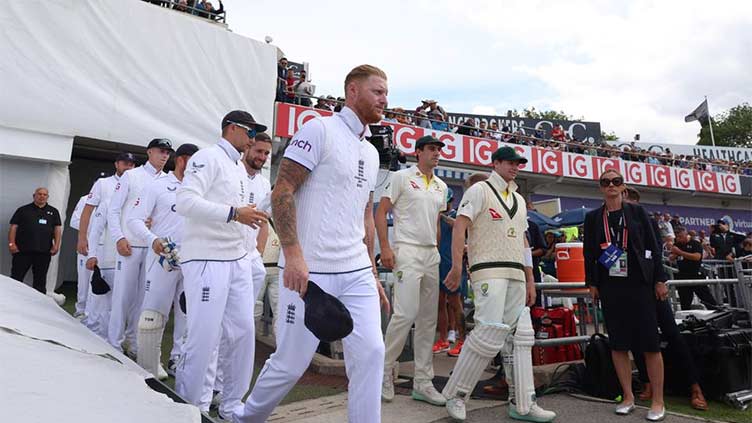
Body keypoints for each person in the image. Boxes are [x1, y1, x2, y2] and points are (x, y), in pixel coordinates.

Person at [235, 64, 390, 423]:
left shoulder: (371, 152)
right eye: (378, 91)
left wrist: (373, 273)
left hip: (356, 272)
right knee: (290, 363)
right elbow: (282, 191)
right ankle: (246, 418)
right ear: (353, 91)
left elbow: (364, 216)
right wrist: (293, 256)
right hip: (309, 272)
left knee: (371, 353)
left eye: (386, 92)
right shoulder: (318, 131)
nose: (385, 99)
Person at [442, 146, 555, 422]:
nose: (515, 167)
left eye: (518, 163)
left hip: (516, 273)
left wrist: (530, 279)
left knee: (519, 338)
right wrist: (457, 266)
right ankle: (457, 396)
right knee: (488, 333)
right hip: (488, 270)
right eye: (509, 162)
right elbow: (460, 226)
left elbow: (524, 242)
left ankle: (522, 402)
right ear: (496, 164)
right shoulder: (479, 191)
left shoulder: (517, 197)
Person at [175, 111, 268, 418]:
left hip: (237, 259)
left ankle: (232, 405)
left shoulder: (238, 167)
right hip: (207, 259)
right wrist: (233, 213)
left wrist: (245, 217)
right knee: (204, 336)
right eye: (249, 132)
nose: (253, 138)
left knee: (242, 333)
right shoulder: (207, 157)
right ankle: (192, 407)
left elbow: (236, 211)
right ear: (231, 128)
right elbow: (185, 202)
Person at [583, 169, 666, 421]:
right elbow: (589, 253)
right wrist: (592, 283)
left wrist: (660, 279)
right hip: (611, 286)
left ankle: (658, 401)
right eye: (606, 182)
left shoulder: (638, 212)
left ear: (623, 186)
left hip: (640, 283)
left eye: (616, 181)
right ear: (600, 188)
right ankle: (627, 396)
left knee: (650, 343)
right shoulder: (594, 217)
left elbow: (654, 246)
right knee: (618, 344)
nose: (611, 185)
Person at [623, 187, 708, 411]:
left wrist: (660, 280)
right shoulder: (613, 223)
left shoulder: (646, 220)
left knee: (672, 335)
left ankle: (695, 387)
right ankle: (647, 382)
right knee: (636, 338)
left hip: (652, 288)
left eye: (625, 198)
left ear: (633, 201)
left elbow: (656, 253)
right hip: (629, 290)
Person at [378, 135, 448, 406]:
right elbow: (381, 212)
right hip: (406, 249)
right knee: (405, 314)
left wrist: (438, 253)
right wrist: (386, 247)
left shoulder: (441, 185)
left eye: (439, 150)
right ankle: (384, 370)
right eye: (431, 149)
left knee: (428, 319)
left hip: (431, 253)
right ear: (418, 152)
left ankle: (423, 381)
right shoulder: (401, 177)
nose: (436, 153)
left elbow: (437, 222)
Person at [128, 143, 198, 379]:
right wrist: (153, 240)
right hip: (163, 257)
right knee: (156, 310)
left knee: (186, 312)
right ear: (181, 160)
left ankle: (177, 359)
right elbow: (134, 220)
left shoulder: (200, 189)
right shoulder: (158, 186)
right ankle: (149, 360)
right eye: (194, 161)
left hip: (191, 259)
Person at [107, 139, 172, 356]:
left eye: (167, 153)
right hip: (130, 244)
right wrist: (118, 237)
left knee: (145, 299)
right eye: (161, 151)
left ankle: (134, 344)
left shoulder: (168, 180)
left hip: (154, 247)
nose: (164, 156)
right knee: (123, 296)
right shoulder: (131, 176)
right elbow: (114, 209)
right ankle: (114, 343)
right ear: (149, 152)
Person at [8, 187, 62, 294]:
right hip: (22, 251)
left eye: (44, 195)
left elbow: (57, 229)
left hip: (43, 251)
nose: (42, 196)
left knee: (40, 280)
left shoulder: (53, 211)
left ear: (47, 197)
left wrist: (56, 245)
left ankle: (39, 306)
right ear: (34, 196)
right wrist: (11, 243)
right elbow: (13, 227)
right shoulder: (23, 210)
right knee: (16, 278)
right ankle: (12, 301)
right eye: (39, 194)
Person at [434, 188, 466, 357]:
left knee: (455, 303)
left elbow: (459, 226)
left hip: (452, 263)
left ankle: (462, 340)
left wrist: (443, 217)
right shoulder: (435, 217)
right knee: (439, 303)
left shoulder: (456, 214)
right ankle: (443, 339)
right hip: (437, 263)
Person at [671, 227, 717, 310]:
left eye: (680, 236)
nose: (678, 239)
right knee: (685, 302)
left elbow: (697, 257)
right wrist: (674, 254)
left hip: (696, 275)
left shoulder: (695, 243)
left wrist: (680, 252)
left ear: (686, 235)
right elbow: (671, 257)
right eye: (677, 237)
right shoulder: (677, 245)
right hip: (683, 276)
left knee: (707, 298)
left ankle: (717, 314)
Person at [70, 194, 91, 318]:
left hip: (107, 248)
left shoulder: (117, 198)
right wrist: (97, 225)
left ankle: (96, 314)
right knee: (84, 281)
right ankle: (81, 311)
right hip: (87, 245)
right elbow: (75, 221)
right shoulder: (85, 199)